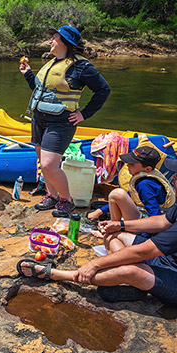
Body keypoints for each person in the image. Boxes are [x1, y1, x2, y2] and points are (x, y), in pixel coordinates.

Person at [17, 155, 177, 308]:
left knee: (132, 271)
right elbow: (163, 221)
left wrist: (95, 264)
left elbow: (146, 251)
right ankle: (124, 282)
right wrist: (121, 225)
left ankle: (56, 274)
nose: (172, 178)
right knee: (114, 236)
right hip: (175, 263)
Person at [19, 25, 110, 217]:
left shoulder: (82, 67)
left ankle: (66, 200)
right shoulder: (51, 63)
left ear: (66, 43)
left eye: (55, 38)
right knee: (43, 162)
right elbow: (40, 91)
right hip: (39, 119)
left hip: (60, 122)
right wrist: (28, 74)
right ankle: (52, 196)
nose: (50, 41)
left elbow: (103, 90)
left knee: (49, 164)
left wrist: (84, 114)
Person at [86, 146, 176, 236]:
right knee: (118, 195)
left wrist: (143, 239)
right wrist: (100, 211)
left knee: (116, 194)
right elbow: (130, 195)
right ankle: (114, 228)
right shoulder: (146, 176)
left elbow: (155, 216)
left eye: (132, 164)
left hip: (151, 225)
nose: (128, 165)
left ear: (147, 169)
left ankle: (114, 232)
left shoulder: (144, 185)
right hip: (144, 215)